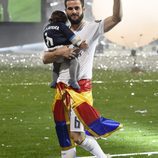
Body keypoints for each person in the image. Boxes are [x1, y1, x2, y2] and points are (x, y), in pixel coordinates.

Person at [43, 0, 123, 157]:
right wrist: (61, 53)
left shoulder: (93, 27)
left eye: (77, 8)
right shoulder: (58, 31)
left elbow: (116, 18)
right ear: (66, 10)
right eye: (70, 8)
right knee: (65, 139)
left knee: (78, 137)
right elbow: (45, 58)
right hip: (61, 91)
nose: (74, 11)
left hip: (80, 92)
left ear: (83, 9)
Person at [43, 10, 88, 89]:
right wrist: (79, 43)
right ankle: (73, 80)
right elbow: (71, 36)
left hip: (51, 50)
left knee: (56, 66)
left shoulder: (47, 27)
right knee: (74, 62)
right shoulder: (61, 25)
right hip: (62, 50)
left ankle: (54, 81)